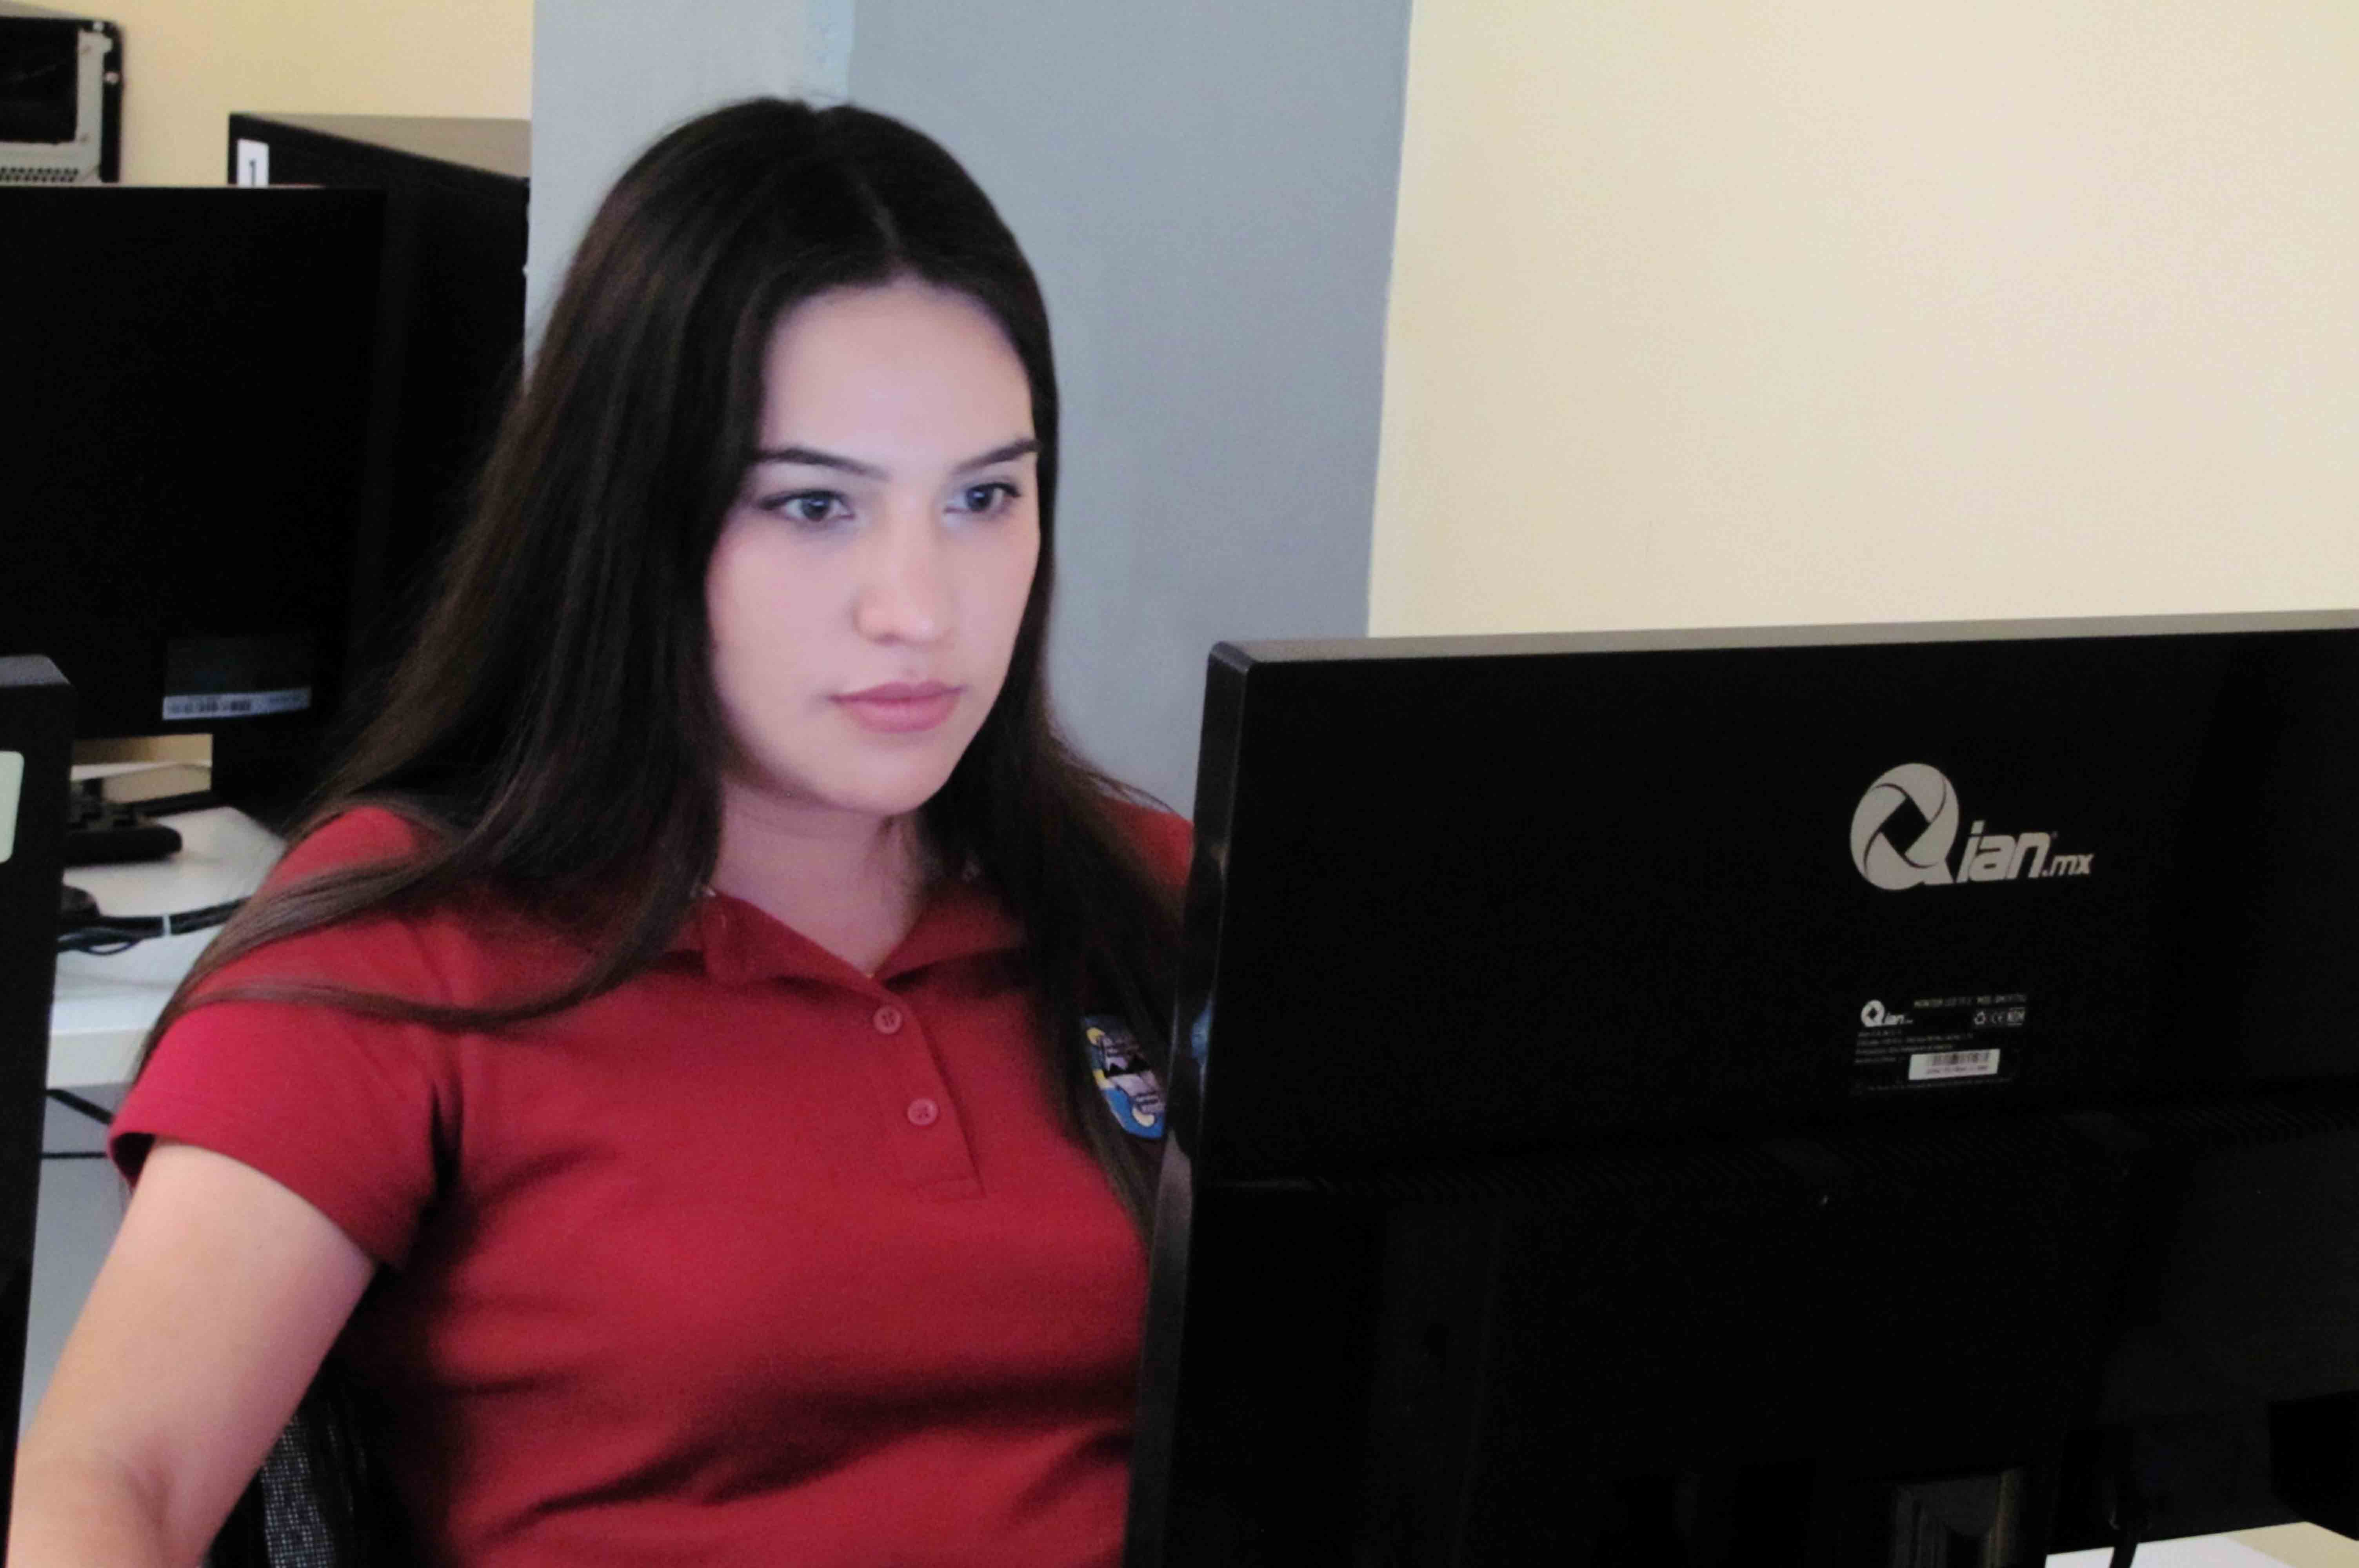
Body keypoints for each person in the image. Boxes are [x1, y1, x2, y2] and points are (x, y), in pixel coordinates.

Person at [10, 98, 1189, 1568]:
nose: (922, 607)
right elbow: (106, 1482)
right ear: (633, 519)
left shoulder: (1149, 900)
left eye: (985, 497)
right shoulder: (415, 944)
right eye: (813, 505)